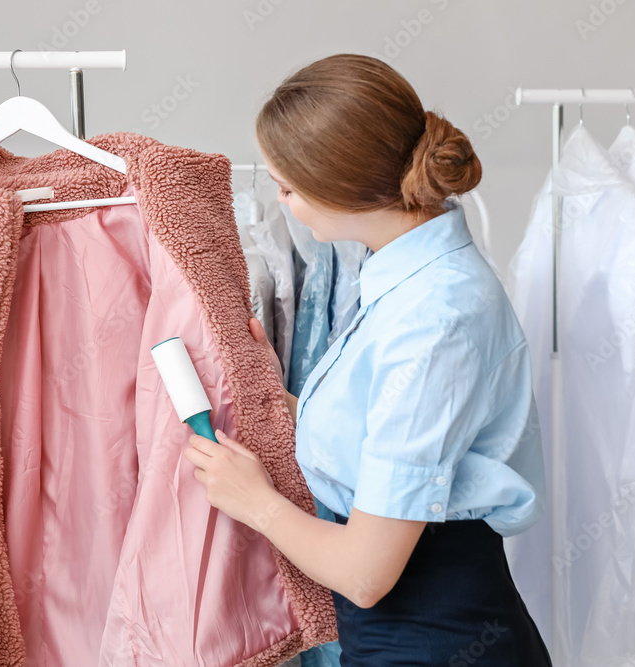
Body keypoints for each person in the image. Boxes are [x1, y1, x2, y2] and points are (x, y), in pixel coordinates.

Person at [184, 54, 552, 666]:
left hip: (435, 638)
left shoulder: (434, 318)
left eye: (289, 189)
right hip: (407, 633)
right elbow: (385, 439)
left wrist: (256, 503)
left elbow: (366, 572)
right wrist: (274, 394)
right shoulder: (403, 280)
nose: (284, 205)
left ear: (343, 188)